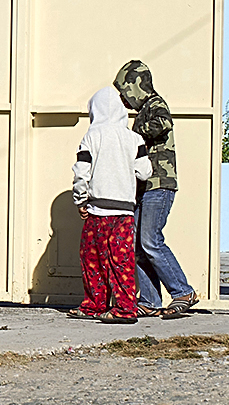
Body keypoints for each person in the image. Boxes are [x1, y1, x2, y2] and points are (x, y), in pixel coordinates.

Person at [117, 59, 199, 319]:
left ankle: (182, 291)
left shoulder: (155, 104)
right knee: (137, 245)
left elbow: (163, 123)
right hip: (144, 187)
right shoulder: (142, 110)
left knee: (150, 239)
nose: (123, 99)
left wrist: (134, 134)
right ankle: (150, 300)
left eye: (125, 91)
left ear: (136, 86)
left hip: (159, 184)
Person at [69, 85, 151, 323]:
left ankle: (94, 305)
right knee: (122, 260)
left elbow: (81, 173)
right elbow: (144, 172)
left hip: (97, 212)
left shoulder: (91, 136)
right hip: (124, 212)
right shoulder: (134, 139)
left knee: (92, 260)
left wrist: (80, 200)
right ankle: (125, 309)